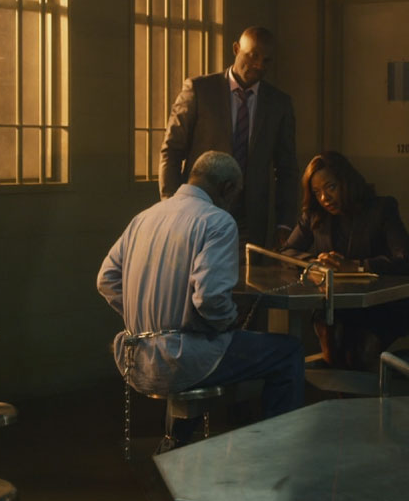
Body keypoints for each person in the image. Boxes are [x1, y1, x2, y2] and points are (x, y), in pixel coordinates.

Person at [98, 151, 304, 451]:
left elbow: (106, 279)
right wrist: (228, 321)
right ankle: (278, 451)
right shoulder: (217, 222)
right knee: (288, 352)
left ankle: (175, 444)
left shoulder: (143, 217)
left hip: (136, 359)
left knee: (201, 350)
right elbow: (210, 299)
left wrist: (144, 313)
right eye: (236, 195)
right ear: (227, 188)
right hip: (181, 360)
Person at [159, 26, 299, 250]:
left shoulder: (278, 103)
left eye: (266, 60)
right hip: (199, 209)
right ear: (236, 49)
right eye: (253, 56)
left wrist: (285, 223)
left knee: (244, 272)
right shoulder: (199, 90)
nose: (259, 65)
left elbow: (287, 168)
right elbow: (172, 151)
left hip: (250, 219)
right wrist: (172, 205)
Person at [281, 151, 409, 371]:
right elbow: (287, 252)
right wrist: (316, 263)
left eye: (331, 187)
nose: (324, 198)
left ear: (347, 181)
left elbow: (407, 261)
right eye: (317, 192)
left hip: (377, 307)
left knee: (360, 356)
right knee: (333, 350)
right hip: (333, 307)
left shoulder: (382, 208)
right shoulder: (315, 215)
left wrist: (357, 266)